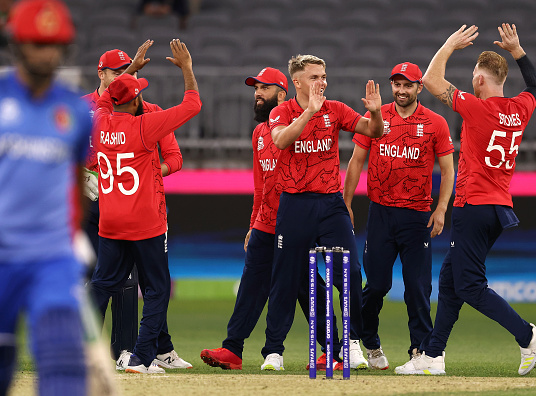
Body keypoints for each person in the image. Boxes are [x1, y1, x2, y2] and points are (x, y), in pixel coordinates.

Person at [394, 24, 536, 376]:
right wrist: (518, 50)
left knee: (468, 284)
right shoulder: (519, 109)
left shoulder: (477, 109)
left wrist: (449, 43)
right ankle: (433, 356)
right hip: (498, 208)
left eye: (472, 78)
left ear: (479, 80)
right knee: (450, 281)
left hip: (473, 204)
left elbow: (431, 81)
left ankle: (528, 335)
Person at [200, 67, 342, 371]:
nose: (257, 95)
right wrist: (253, 223)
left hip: (296, 221)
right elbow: (259, 185)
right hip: (266, 223)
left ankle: (332, 350)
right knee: (252, 284)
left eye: (263, 90)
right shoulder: (258, 134)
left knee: (306, 288)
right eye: (255, 90)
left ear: (281, 94)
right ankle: (233, 350)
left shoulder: (296, 126)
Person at [259, 54, 384, 371]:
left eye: (324, 75)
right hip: (295, 204)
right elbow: (280, 141)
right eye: (315, 77)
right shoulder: (280, 112)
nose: (322, 82)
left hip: (331, 205)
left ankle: (351, 344)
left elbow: (374, 131)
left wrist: (376, 112)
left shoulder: (336, 109)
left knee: (352, 273)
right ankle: (274, 351)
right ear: (297, 82)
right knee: (285, 279)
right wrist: (309, 113)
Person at [89, 38, 202, 374]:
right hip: (144, 222)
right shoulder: (145, 126)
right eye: (137, 91)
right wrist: (188, 69)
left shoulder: (100, 121)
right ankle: (140, 357)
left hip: (109, 222)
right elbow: (192, 105)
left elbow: (105, 98)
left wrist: (128, 75)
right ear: (136, 99)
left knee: (101, 284)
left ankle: (77, 347)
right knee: (156, 289)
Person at [0, 0, 91, 394]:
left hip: (51, 258)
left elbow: (75, 182)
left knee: (63, 363)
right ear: (17, 44)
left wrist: (72, 236)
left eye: (54, 44)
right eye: (37, 43)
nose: (47, 53)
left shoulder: (76, 111)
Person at [343, 62, 455, 370]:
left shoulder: (435, 123)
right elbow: (356, 162)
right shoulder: (376, 118)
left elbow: (448, 170)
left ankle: (420, 351)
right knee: (377, 285)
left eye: (408, 85)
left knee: (418, 287)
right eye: (397, 84)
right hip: (380, 213)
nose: (401, 90)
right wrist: (347, 203)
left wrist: (442, 208)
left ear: (420, 88)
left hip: (417, 216)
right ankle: (369, 342)